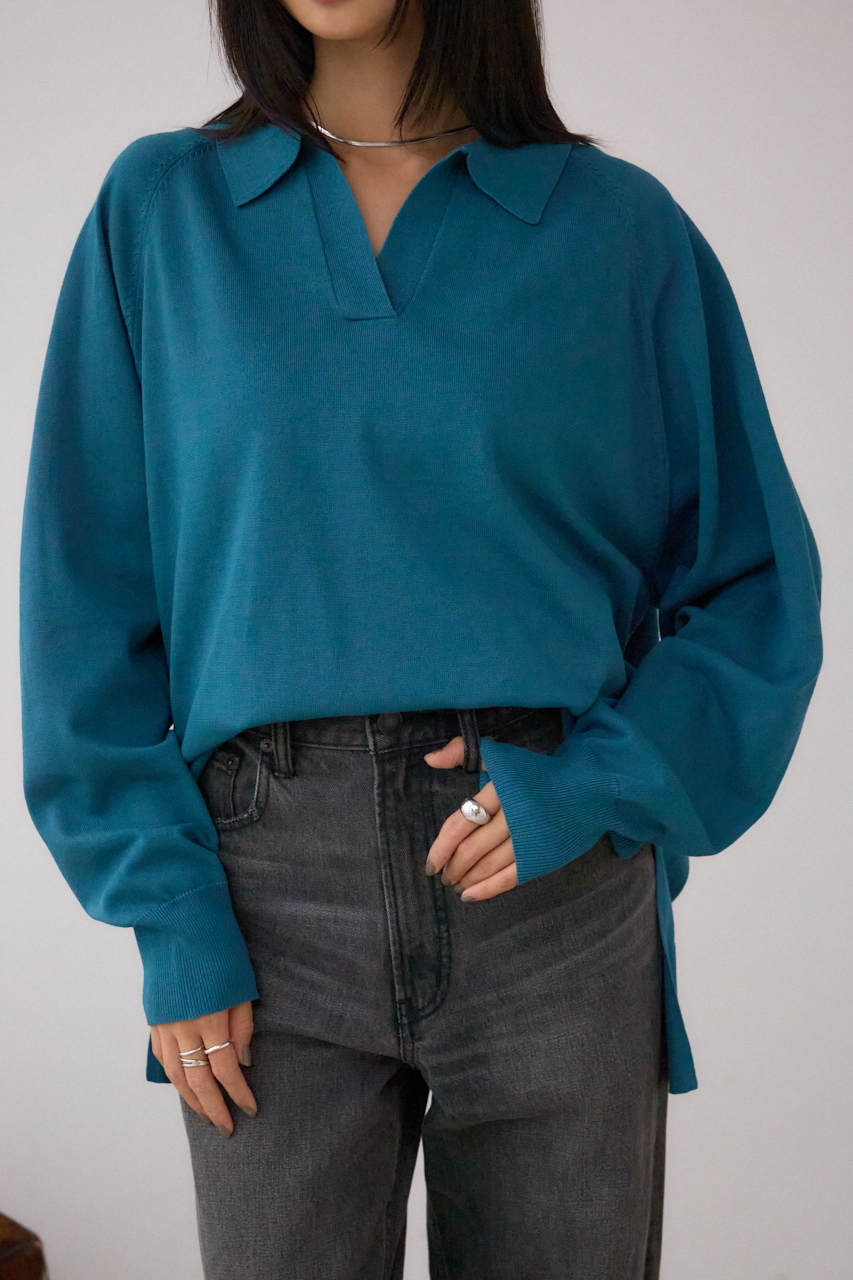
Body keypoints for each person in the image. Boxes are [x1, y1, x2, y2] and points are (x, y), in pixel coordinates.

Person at [19, 0, 823, 1276]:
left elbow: (753, 588)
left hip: (549, 886)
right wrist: (169, 916)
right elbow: (83, 602)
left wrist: (594, 783)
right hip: (262, 901)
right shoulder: (162, 213)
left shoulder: (620, 231)